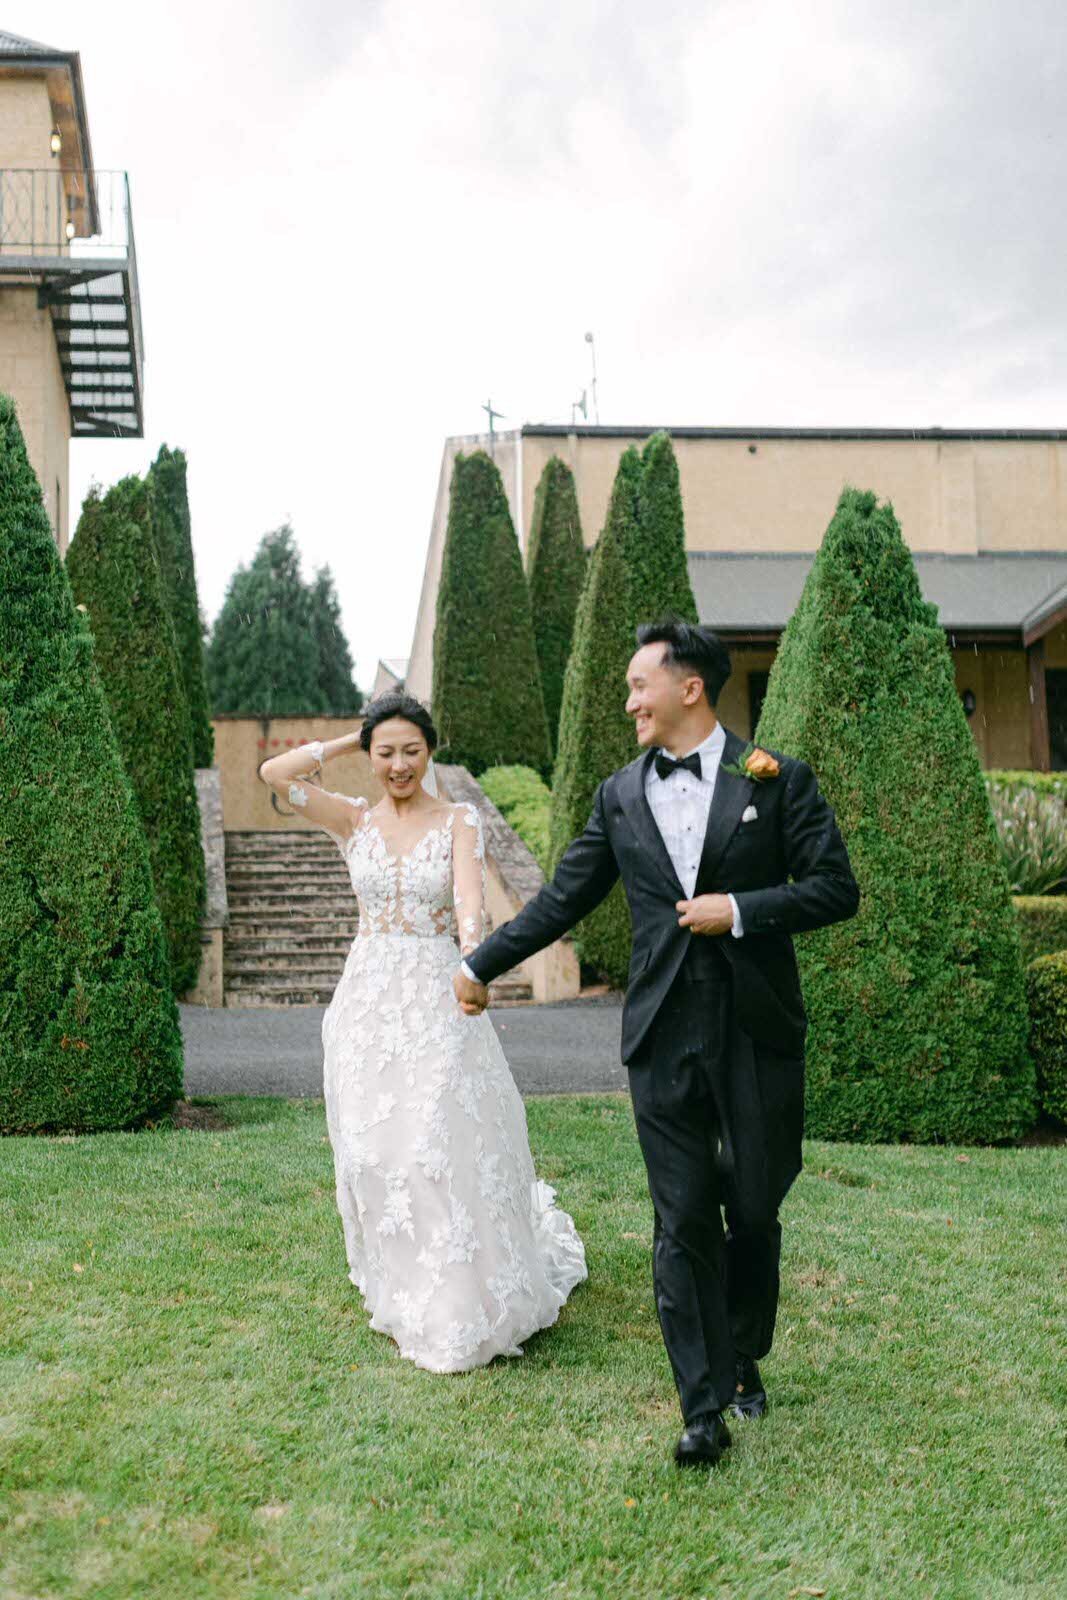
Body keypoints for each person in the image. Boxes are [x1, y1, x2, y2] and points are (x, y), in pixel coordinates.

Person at [455, 619, 859, 1466]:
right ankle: (701, 1405)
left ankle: (744, 1350)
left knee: (751, 1206)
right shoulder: (618, 795)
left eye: (640, 684)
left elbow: (833, 889)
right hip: (660, 1031)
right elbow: (559, 901)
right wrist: (480, 963)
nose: (628, 700)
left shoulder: (778, 780)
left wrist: (740, 911)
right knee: (680, 1220)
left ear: (689, 688)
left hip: (754, 1028)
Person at [259, 693, 586, 1373]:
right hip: (366, 1001)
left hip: (439, 993)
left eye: (412, 750)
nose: (399, 764)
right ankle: (401, 1280)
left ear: (430, 752)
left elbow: (469, 899)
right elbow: (275, 776)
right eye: (387, 752)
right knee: (377, 1149)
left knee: (434, 1139)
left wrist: (475, 963)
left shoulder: (459, 819)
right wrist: (355, 738)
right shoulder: (352, 819)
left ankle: (459, 1292)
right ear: (371, 756)